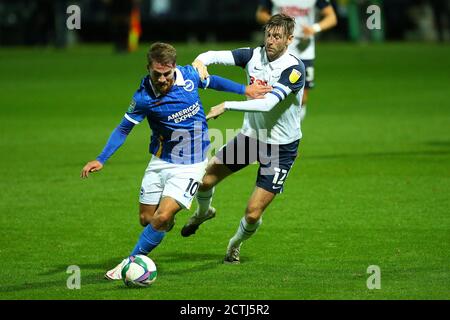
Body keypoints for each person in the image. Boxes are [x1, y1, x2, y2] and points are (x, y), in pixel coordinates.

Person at [80, 42, 271, 279]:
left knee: (160, 217)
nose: (162, 79)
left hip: (192, 163)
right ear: (148, 68)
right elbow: (123, 129)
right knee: (147, 220)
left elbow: (214, 82)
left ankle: (129, 263)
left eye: (166, 74)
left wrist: (245, 90)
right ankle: (169, 220)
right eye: (156, 74)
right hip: (160, 160)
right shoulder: (142, 98)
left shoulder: (190, 75)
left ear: (174, 68)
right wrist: (101, 158)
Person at [180, 14, 306, 264]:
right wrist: (199, 62)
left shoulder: (294, 69)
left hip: (280, 149)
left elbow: (269, 104)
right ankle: (204, 213)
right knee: (204, 181)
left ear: (289, 39)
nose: (270, 41)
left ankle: (234, 244)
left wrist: (227, 104)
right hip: (251, 139)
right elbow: (212, 55)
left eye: (277, 36)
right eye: (268, 35)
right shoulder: (253, 56)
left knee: (252, 213)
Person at [256, 0, 337, 120]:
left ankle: (293, 130)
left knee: (302, 97)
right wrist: (277, 25)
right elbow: (260, 14)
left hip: (303, 50)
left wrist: (314, 28)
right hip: (278, 48)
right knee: (271, 91)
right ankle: (273, 128)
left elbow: (332, 17)